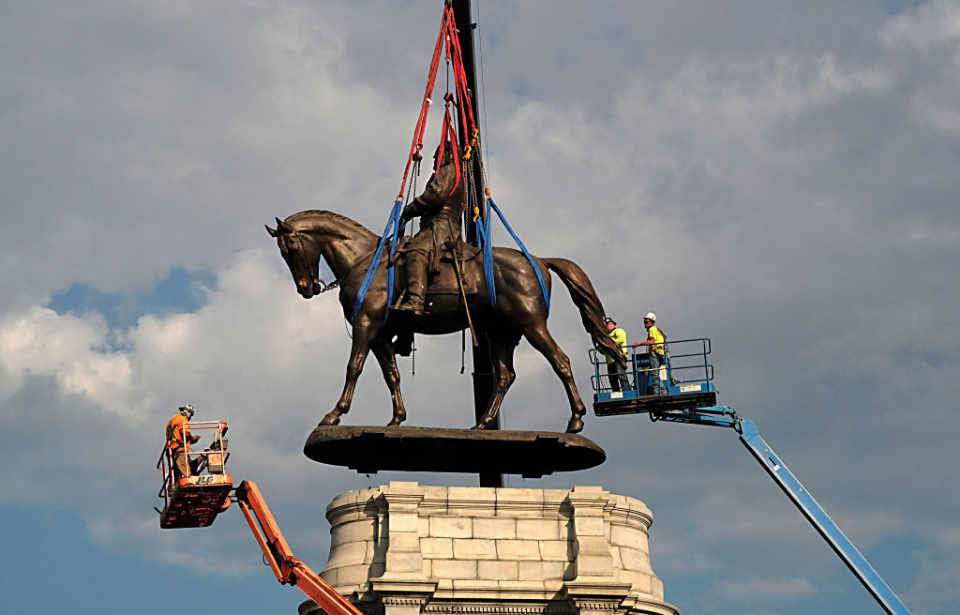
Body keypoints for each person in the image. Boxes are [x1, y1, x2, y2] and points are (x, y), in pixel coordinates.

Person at [393, 141, 466, 317]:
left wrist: (410, 209)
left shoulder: (449, 171)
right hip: (436, 226)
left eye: (436, 156)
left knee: (415, 251)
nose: (434, 160)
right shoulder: (453, 173)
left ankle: (416, 300)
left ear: (447, 156)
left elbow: (435, 195)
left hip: (440, 227)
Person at [632, 312, 665, 395]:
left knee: (654, 373)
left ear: (651, 322)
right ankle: (663, 391)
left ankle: (658, 392)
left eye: (646, 322)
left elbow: (652, 341)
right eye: (644, 322)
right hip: (660, 353)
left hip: (655, 353)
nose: (644, 324)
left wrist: (639, 343)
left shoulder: (652, 329)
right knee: (656, 374)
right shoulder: (656, 330)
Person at [166, 404, 200, 480]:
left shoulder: (173, 420)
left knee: (175, 476)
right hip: (179, 451)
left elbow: (180, 438)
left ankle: (172, 490)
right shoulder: (182, 420)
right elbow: (186, 435)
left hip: (171, 450)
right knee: (186, 475)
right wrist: (194, 438)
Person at [604, 317, 630, 392]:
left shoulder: (618, 331)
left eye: (606, 325)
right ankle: (616, 392)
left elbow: (621, 339)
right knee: (612, 378)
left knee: (621, 375)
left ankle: (626, 391)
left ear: (611, 324)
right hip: (610, 361)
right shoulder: (606, 337)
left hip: (619, 357)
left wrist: (609, 343)